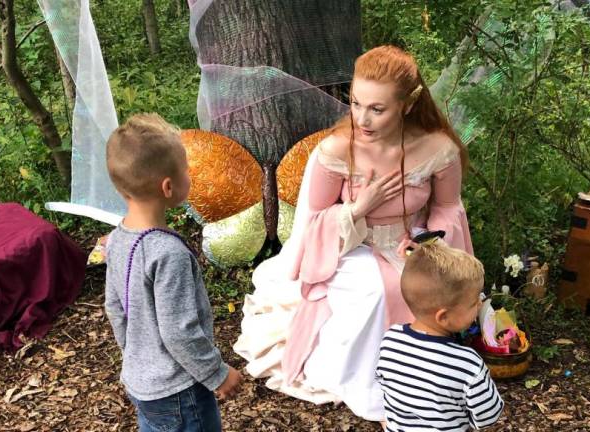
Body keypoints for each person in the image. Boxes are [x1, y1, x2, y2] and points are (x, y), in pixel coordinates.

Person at [234, 45, 473, 421]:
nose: (362, 118)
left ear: (407, 105)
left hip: (414, 241)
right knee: (380, 290)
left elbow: (447, 207)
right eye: (356, 103)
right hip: (350, 244)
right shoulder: (336, 150)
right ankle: (371, 388)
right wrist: (361, 207)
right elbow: (314, 222)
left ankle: (424, 378)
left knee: (423, 285)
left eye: (377, 109)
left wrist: (430, 242)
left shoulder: (437, 148)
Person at [104, 113, 242, 432]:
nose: (189, 175)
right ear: (168, 187)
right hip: (180, 391)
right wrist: (217, 374)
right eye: (186, 170)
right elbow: (179, 332)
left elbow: (114, 307)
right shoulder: (169, 253)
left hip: (142, 385)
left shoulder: (116, 240)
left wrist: (138, 356)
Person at [376, 240, 503, 431]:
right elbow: (488, 416)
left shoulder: (390, 341)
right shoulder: (467, 363)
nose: (479, 305)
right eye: (473, 303)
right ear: (443, 317)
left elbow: (385, 387)